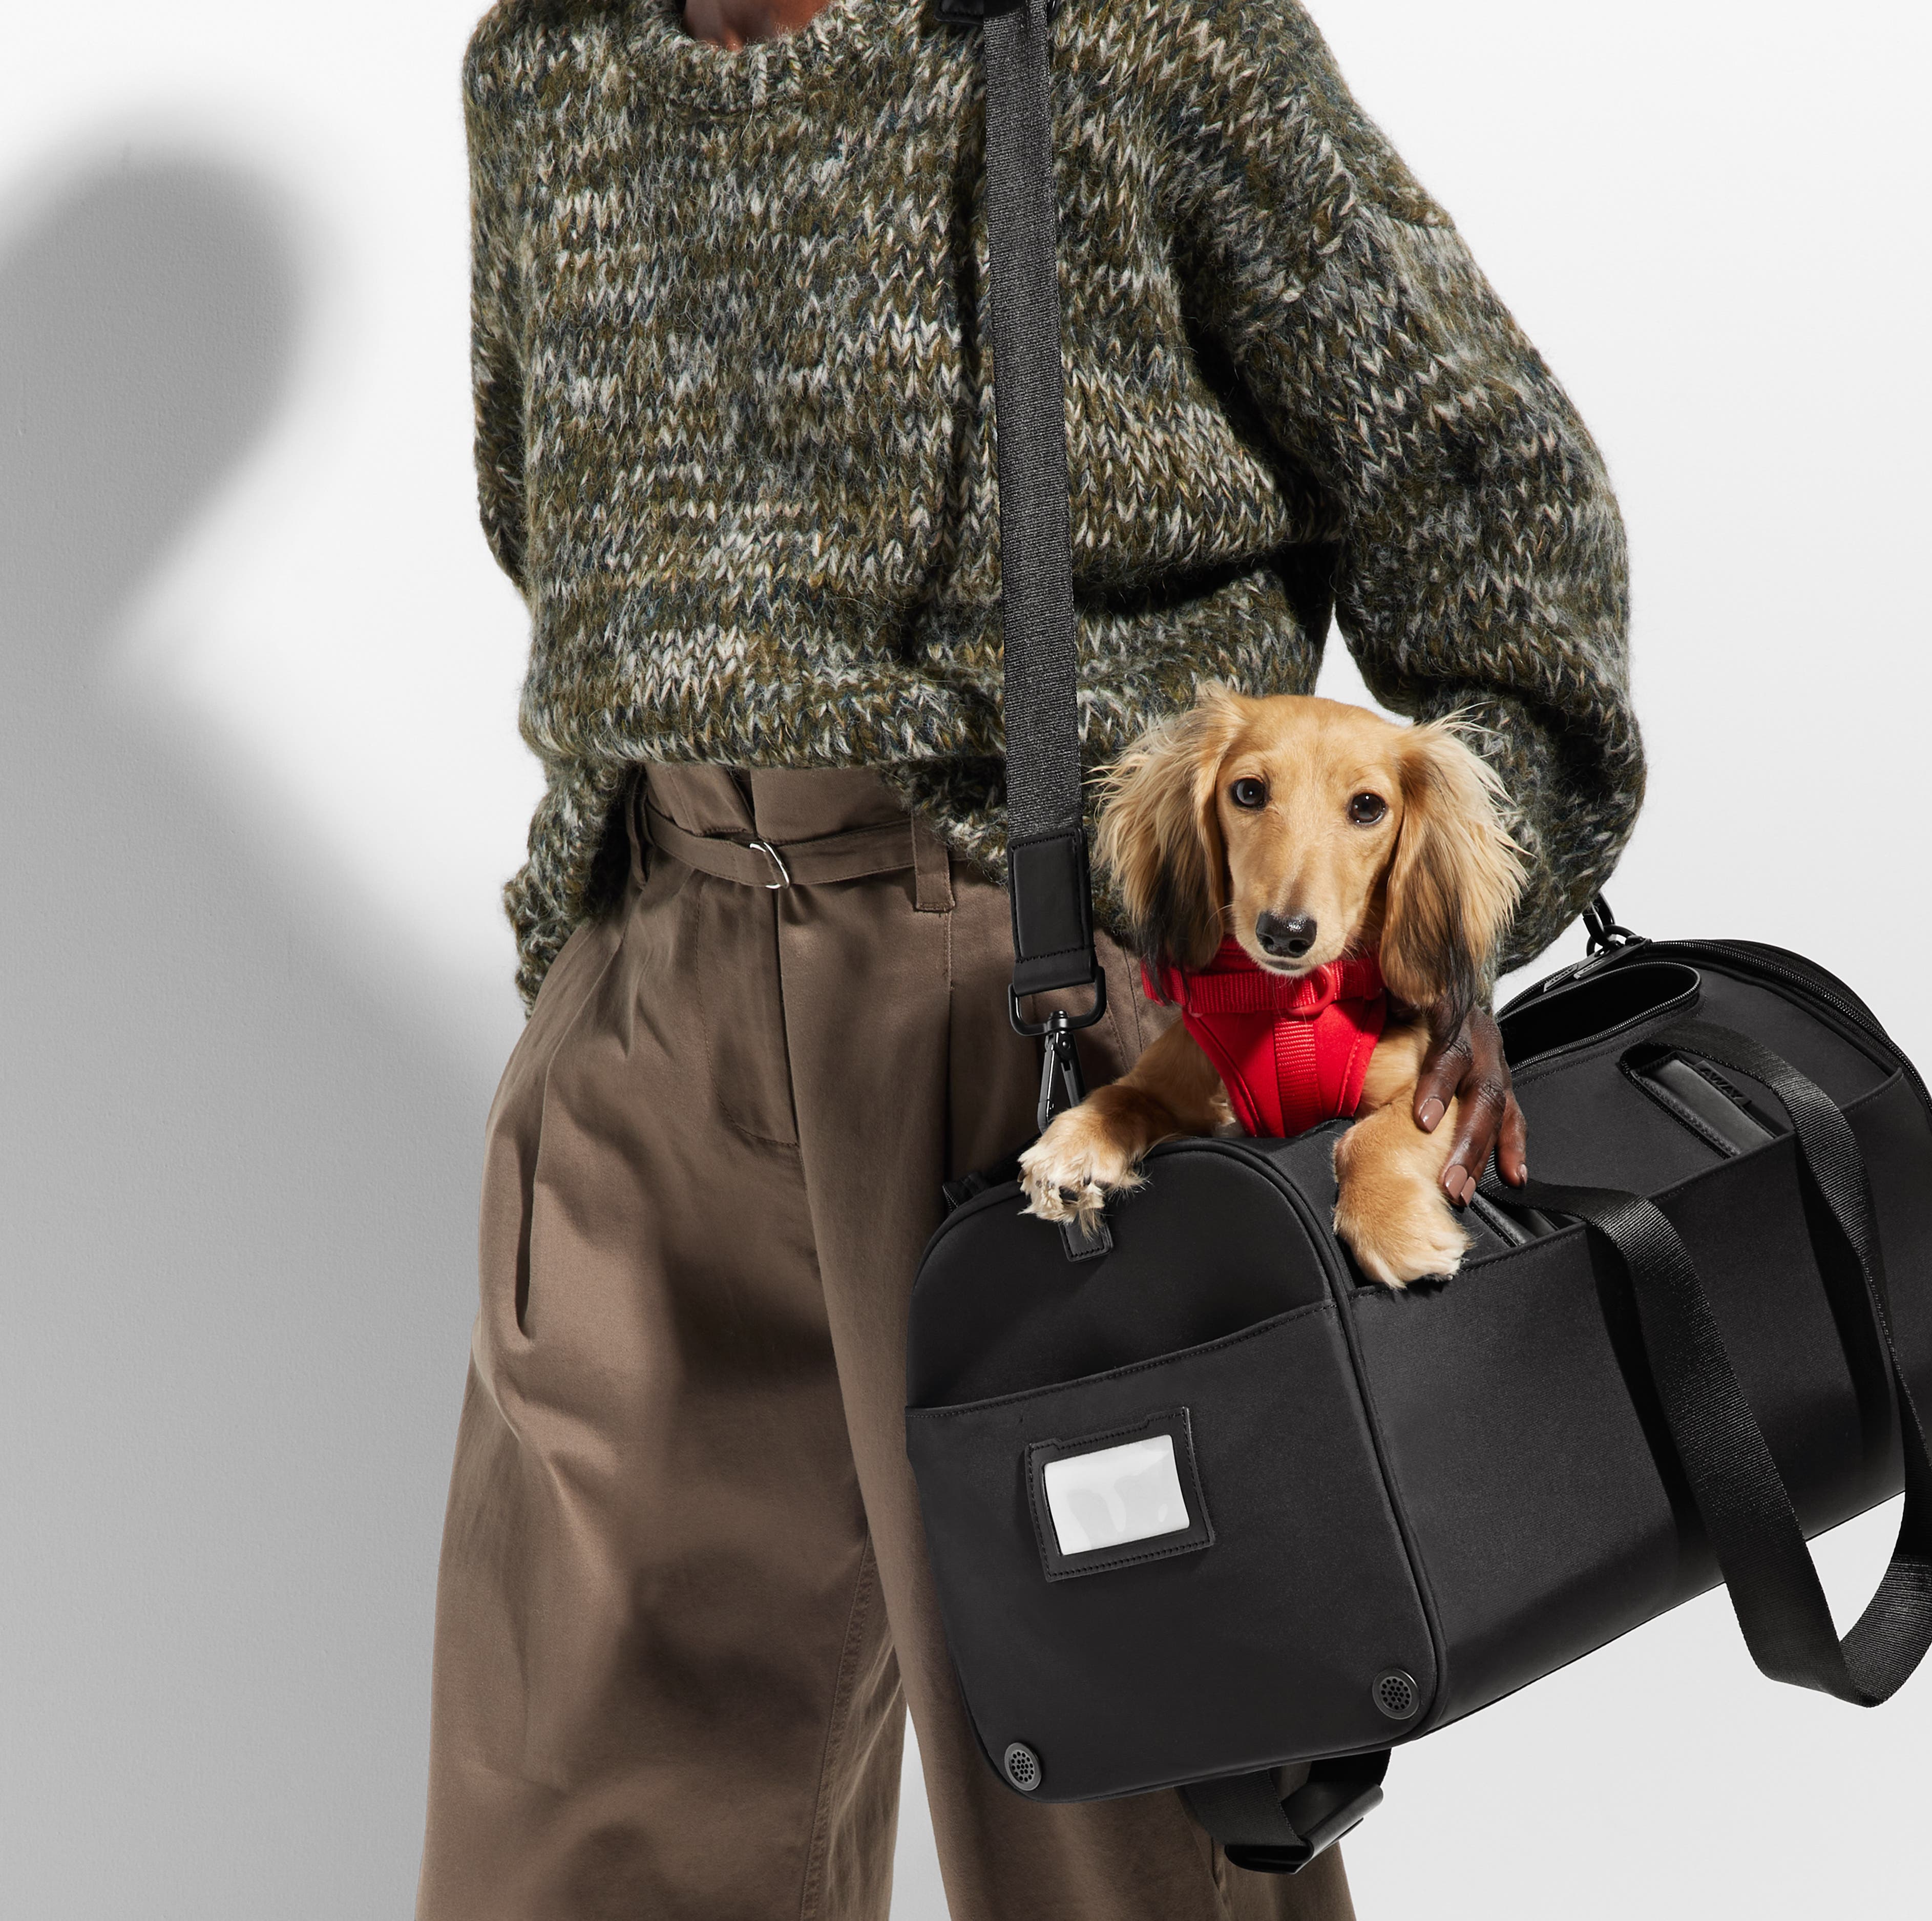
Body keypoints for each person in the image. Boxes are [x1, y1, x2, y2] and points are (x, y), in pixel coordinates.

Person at [416, 0, 1643, 1916]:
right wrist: (582, 968)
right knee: (580, 1798)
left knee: (1123, 1813)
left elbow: (1492, 498)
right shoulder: (544, 65)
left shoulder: (1137, 35)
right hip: (649, 990)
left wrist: (1427, 944)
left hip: (1052, 996)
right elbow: (557, 532)